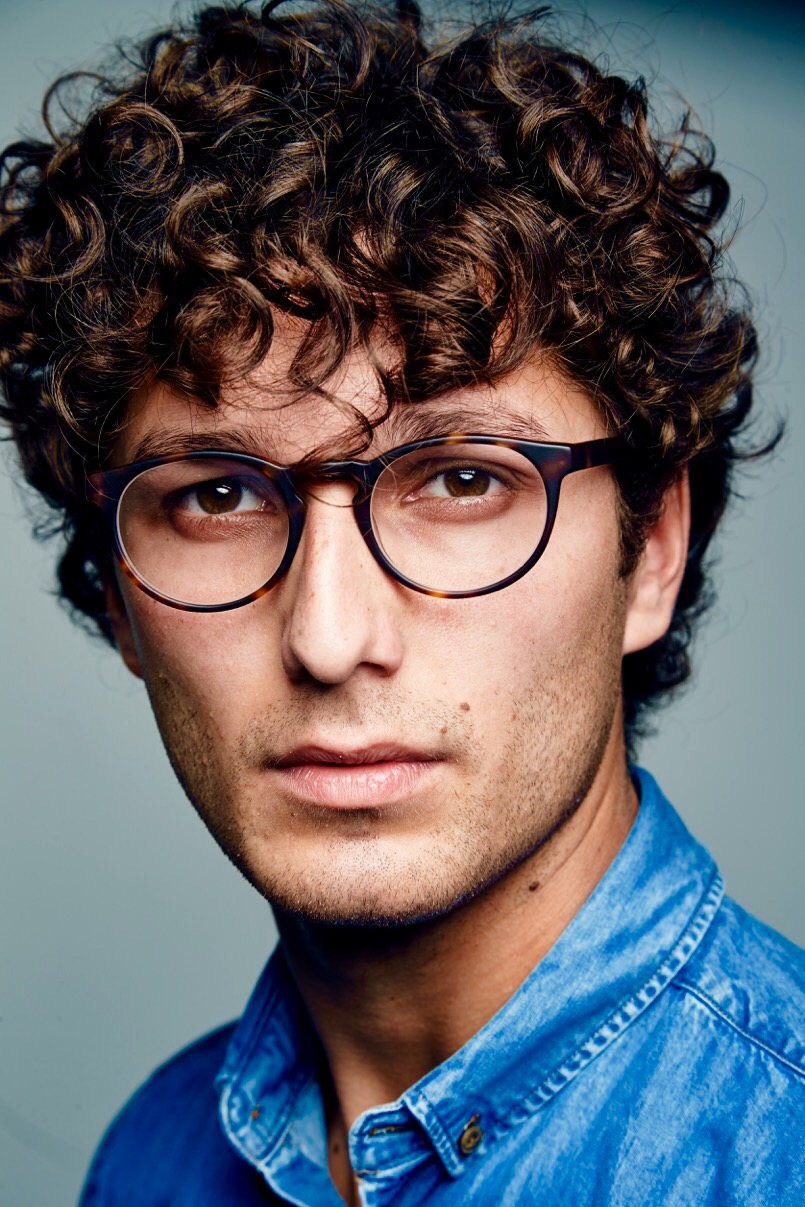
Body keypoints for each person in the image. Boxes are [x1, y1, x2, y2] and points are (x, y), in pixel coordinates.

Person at [1, 1, 802, 1202]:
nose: (329, 637)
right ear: (117, 592)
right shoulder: (154, 1158)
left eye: (464, 480)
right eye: (218, 495)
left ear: (651, 549)